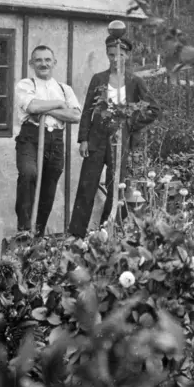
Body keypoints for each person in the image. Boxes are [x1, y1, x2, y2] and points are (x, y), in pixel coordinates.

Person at [67, 35, 160, 238]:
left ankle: (109, 230)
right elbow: (87, 110)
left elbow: (153, 109)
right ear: (107, 55)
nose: (115, 59)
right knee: (87, 184)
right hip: (96, 138)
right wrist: (83, 138)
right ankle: (75, 235)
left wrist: (130, 123)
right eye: (111, 55)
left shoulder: (135, 81)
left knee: (117, 185)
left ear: (126, 55)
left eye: (119, 55)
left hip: (121, 139)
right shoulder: (99, 79)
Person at [13, 45, 81, 237]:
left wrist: (46, 109)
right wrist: (60, 105)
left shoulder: (64, 88)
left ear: (54, 63)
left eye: (47, 60)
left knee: (49, 188)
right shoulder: (26, 85)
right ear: (31, 63)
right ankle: (24, 229)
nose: (43, 64)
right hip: (30, 138)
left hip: (55, 140)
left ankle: (39, 234)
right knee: (28, 174)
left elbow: (75, 116)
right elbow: (32, 106)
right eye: (39, 60)